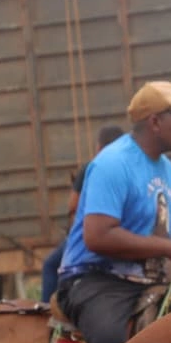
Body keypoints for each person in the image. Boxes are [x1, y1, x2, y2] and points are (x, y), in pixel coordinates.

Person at [55, 81, 171, 343]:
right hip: (94, 279)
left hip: (147, 281)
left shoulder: (169, 170)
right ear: (155, 122)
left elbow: (159, 231)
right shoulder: (112, 164)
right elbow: (97, 236)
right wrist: (170, 248)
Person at [41, 123, 124, 302]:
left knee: (50, 265)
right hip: (126, 239)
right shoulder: (130, 167)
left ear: (99, 146)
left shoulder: (91, 167)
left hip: (93, 240)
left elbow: (73, 206)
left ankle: (46, 312)